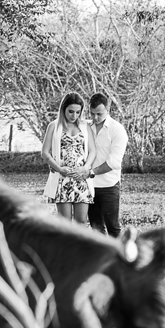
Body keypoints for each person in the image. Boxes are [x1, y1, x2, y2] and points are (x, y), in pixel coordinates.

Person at [41, 92, 96, 224]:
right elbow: (45, 153)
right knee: (65, 221)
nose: (74, 115)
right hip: (62, 178)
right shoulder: (54, 126)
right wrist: (59, 169)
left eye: (78, 112)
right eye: (71, 111)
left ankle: (81, 245)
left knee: (81, 220)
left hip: (81, 178)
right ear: (63, 109)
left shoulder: (85, 126)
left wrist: (85, 168)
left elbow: (93, 151)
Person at [86, 92, 128, 238]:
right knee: (96, 228)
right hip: (89, 186)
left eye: (99, 114)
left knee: (113, 228)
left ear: (108, 111)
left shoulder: (117, 130)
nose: (95, 118)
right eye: (92, 113)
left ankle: (122, 259)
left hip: (109, 185)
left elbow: (114, 161)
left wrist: (91, 172)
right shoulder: (85, 127)